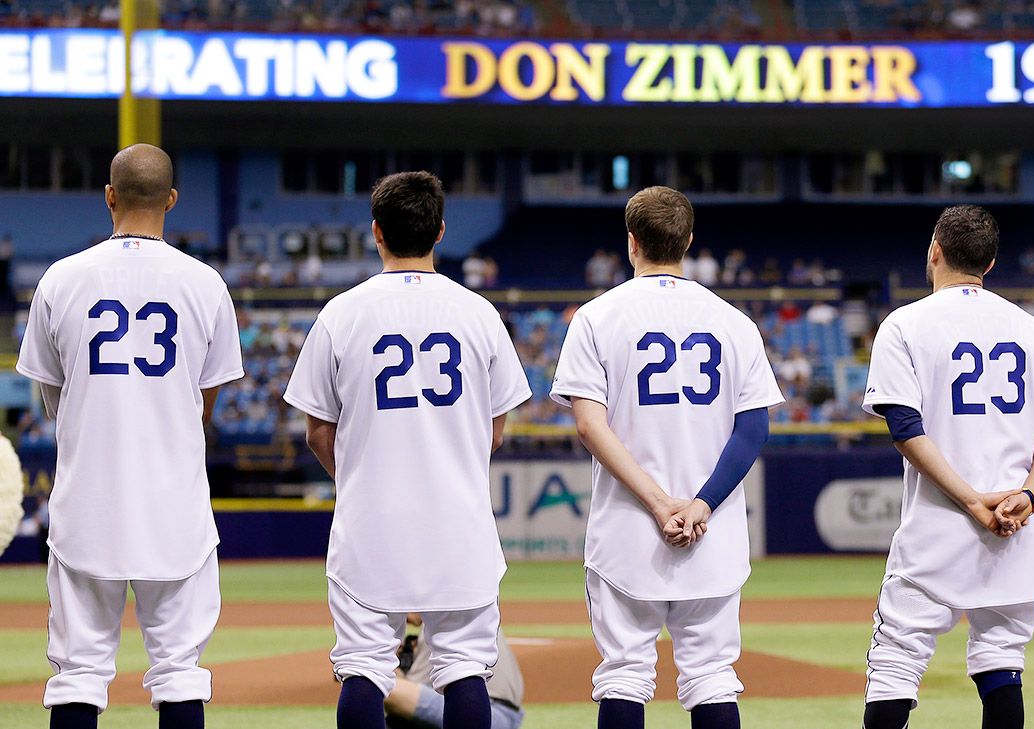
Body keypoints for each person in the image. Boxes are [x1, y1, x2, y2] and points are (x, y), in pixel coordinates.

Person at [284, 172, 532, 729]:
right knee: (465, 665)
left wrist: (357, 481)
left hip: (371, 520)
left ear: (376, 232)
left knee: (364, 667)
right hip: (457, 520)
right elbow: (496, 432)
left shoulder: (341, 313)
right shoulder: (478, 314)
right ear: (440, 231)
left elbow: (316, 431)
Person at [16, 144, 244, 729]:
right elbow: (206, 402)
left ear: (109, 196)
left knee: (77, 674)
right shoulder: (205, 283)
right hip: (175, 507)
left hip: (87, 501)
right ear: (171, 200)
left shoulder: (60, 279)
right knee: (179, 670)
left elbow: (53, 399)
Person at [550, 186, 784, 729]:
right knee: (711, 676)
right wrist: (700, 505)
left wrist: (659, 503)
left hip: (629, 528)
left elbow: (589, 424)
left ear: (631, 243)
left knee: (624, 674)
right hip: (713, 531)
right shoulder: (732, 320)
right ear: (689, 241)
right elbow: (754, 429)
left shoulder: (596, 317)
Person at [859, 205, 1034, 729]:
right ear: (991, 262)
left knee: (896, 663)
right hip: (1015, 527)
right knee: (1002, 661)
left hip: (939, 525)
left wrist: (970, 500)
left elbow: (905, 428)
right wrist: (1025, 496)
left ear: (934, 251)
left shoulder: (904, 324)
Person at [386, 624, 524, 729]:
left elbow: (407, 694)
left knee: (381, 682)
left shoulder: (436, 624)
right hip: (503, 714)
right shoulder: (472, 613)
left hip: (487, 712)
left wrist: (390, 669)